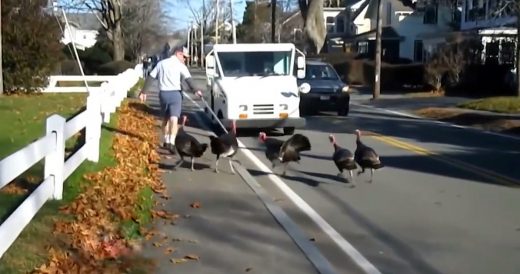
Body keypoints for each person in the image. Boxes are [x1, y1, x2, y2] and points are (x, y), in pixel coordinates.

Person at [139, 46, 203, 153]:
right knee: (174, 118)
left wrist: (144, 92)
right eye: (184, 56)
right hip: (175, 94)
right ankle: (172, 142)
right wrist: (196, 90)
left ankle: (166, 140)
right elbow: (189, 80)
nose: (185, 59)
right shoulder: (180, 66)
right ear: (178, 54)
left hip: (163, 94)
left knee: (166, 118)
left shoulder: (161, 64)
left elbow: (151, 77)